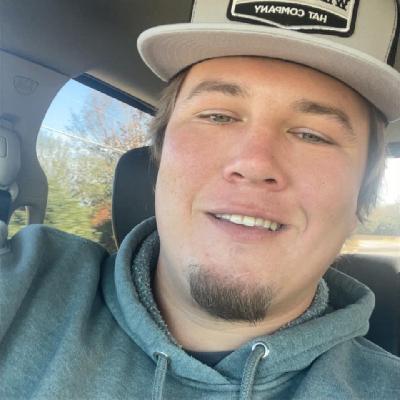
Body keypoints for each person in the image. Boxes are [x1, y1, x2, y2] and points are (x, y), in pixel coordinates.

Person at [1, 0, 400, 399]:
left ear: (360, 202)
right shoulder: (24, 286)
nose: (254, 163)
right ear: (160, 160)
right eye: (218, 116)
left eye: (313, 135)